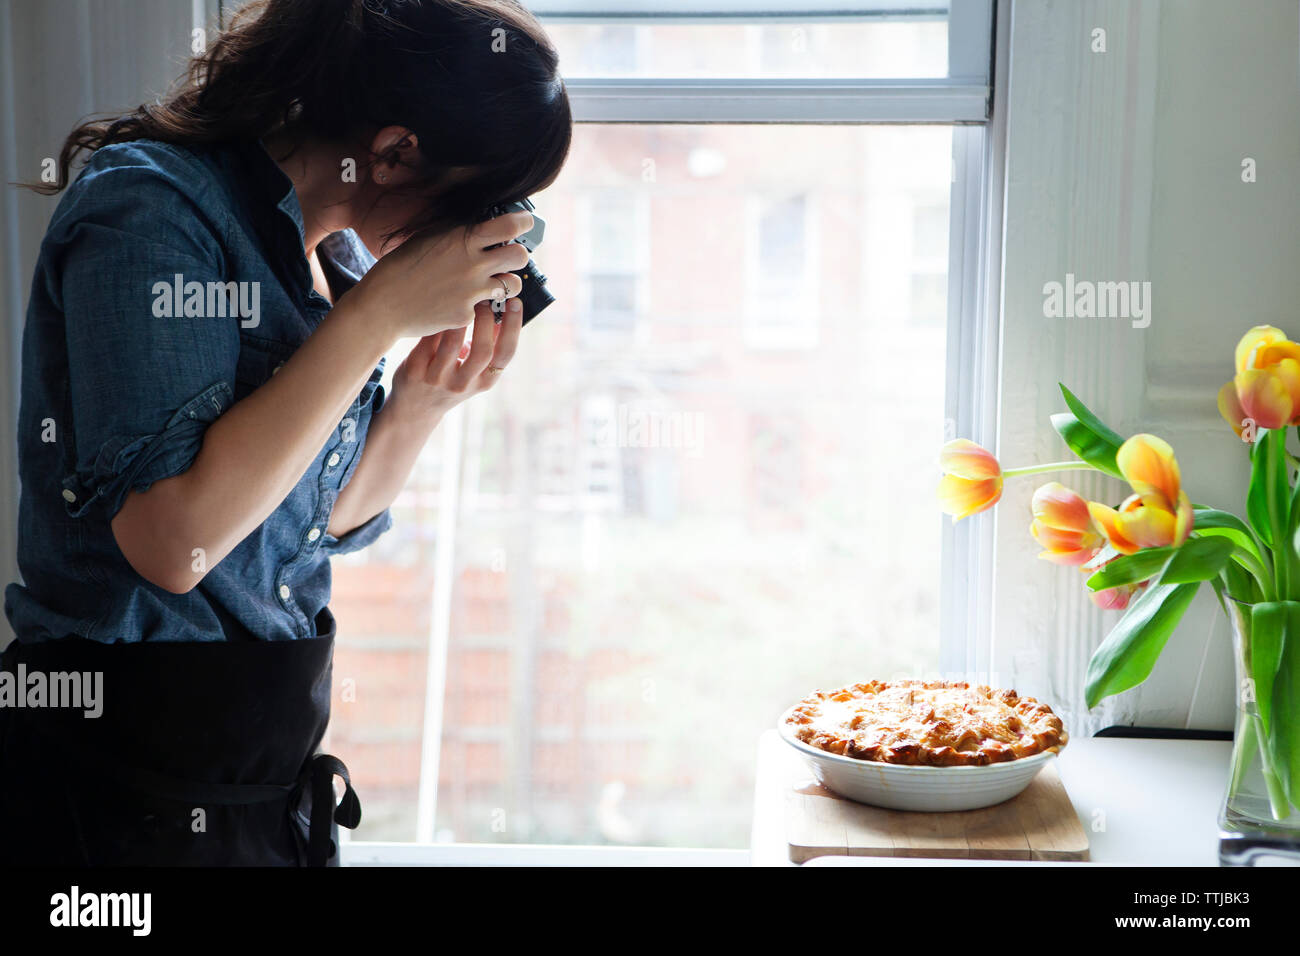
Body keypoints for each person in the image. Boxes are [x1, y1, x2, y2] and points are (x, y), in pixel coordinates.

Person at [0, 0, 571, 865]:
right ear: (394, 152)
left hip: (260, 777)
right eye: (481, 200)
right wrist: (376, 321)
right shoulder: (152, 209)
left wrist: (420, 401)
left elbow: (308, 528)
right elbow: (176, 540)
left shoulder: (329, 255)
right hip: (114, 781)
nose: (479, 234)